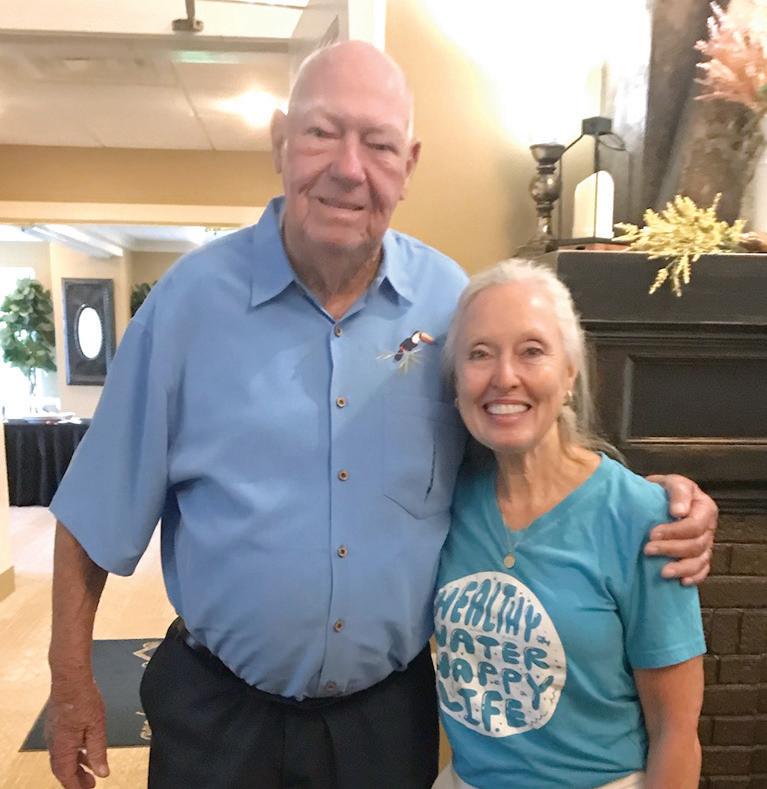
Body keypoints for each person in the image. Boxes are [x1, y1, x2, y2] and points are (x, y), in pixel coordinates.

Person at [45, 41, 716, 789]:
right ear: (280, 141)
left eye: (378, 143)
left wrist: (654, 502)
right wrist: (71, 682)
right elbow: (95, 510)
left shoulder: (450, 303)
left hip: (385, 725)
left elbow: (520, 442)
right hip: (217, 717)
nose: (348, 168)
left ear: (410, 162)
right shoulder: (187, 306)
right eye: (321, 133)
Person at [433, 259, 705, 789]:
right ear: (457, 380)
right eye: (480, 353)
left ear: (570, 373)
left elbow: (676, 731)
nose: (504, 377)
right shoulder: (445, 500)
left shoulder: (646, 518)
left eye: (532, 351)